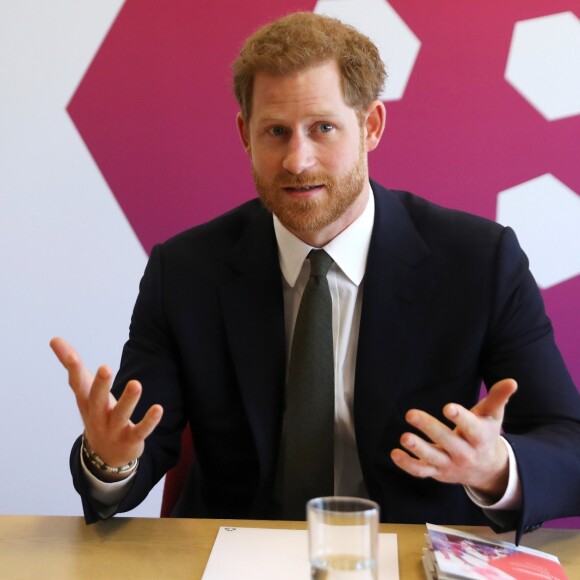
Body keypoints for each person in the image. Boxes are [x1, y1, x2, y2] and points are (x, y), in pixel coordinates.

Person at [51, 12, 580, 543]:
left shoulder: (479, 261)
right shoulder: (185, 272)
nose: (297, 161)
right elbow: (135, 447)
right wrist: (109, 459)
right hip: (237, 558)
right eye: (275, 132)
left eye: (322, 129)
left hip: (412, 555)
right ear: (244, 134)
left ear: (370, 126)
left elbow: (569, 444)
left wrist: (493, 469)